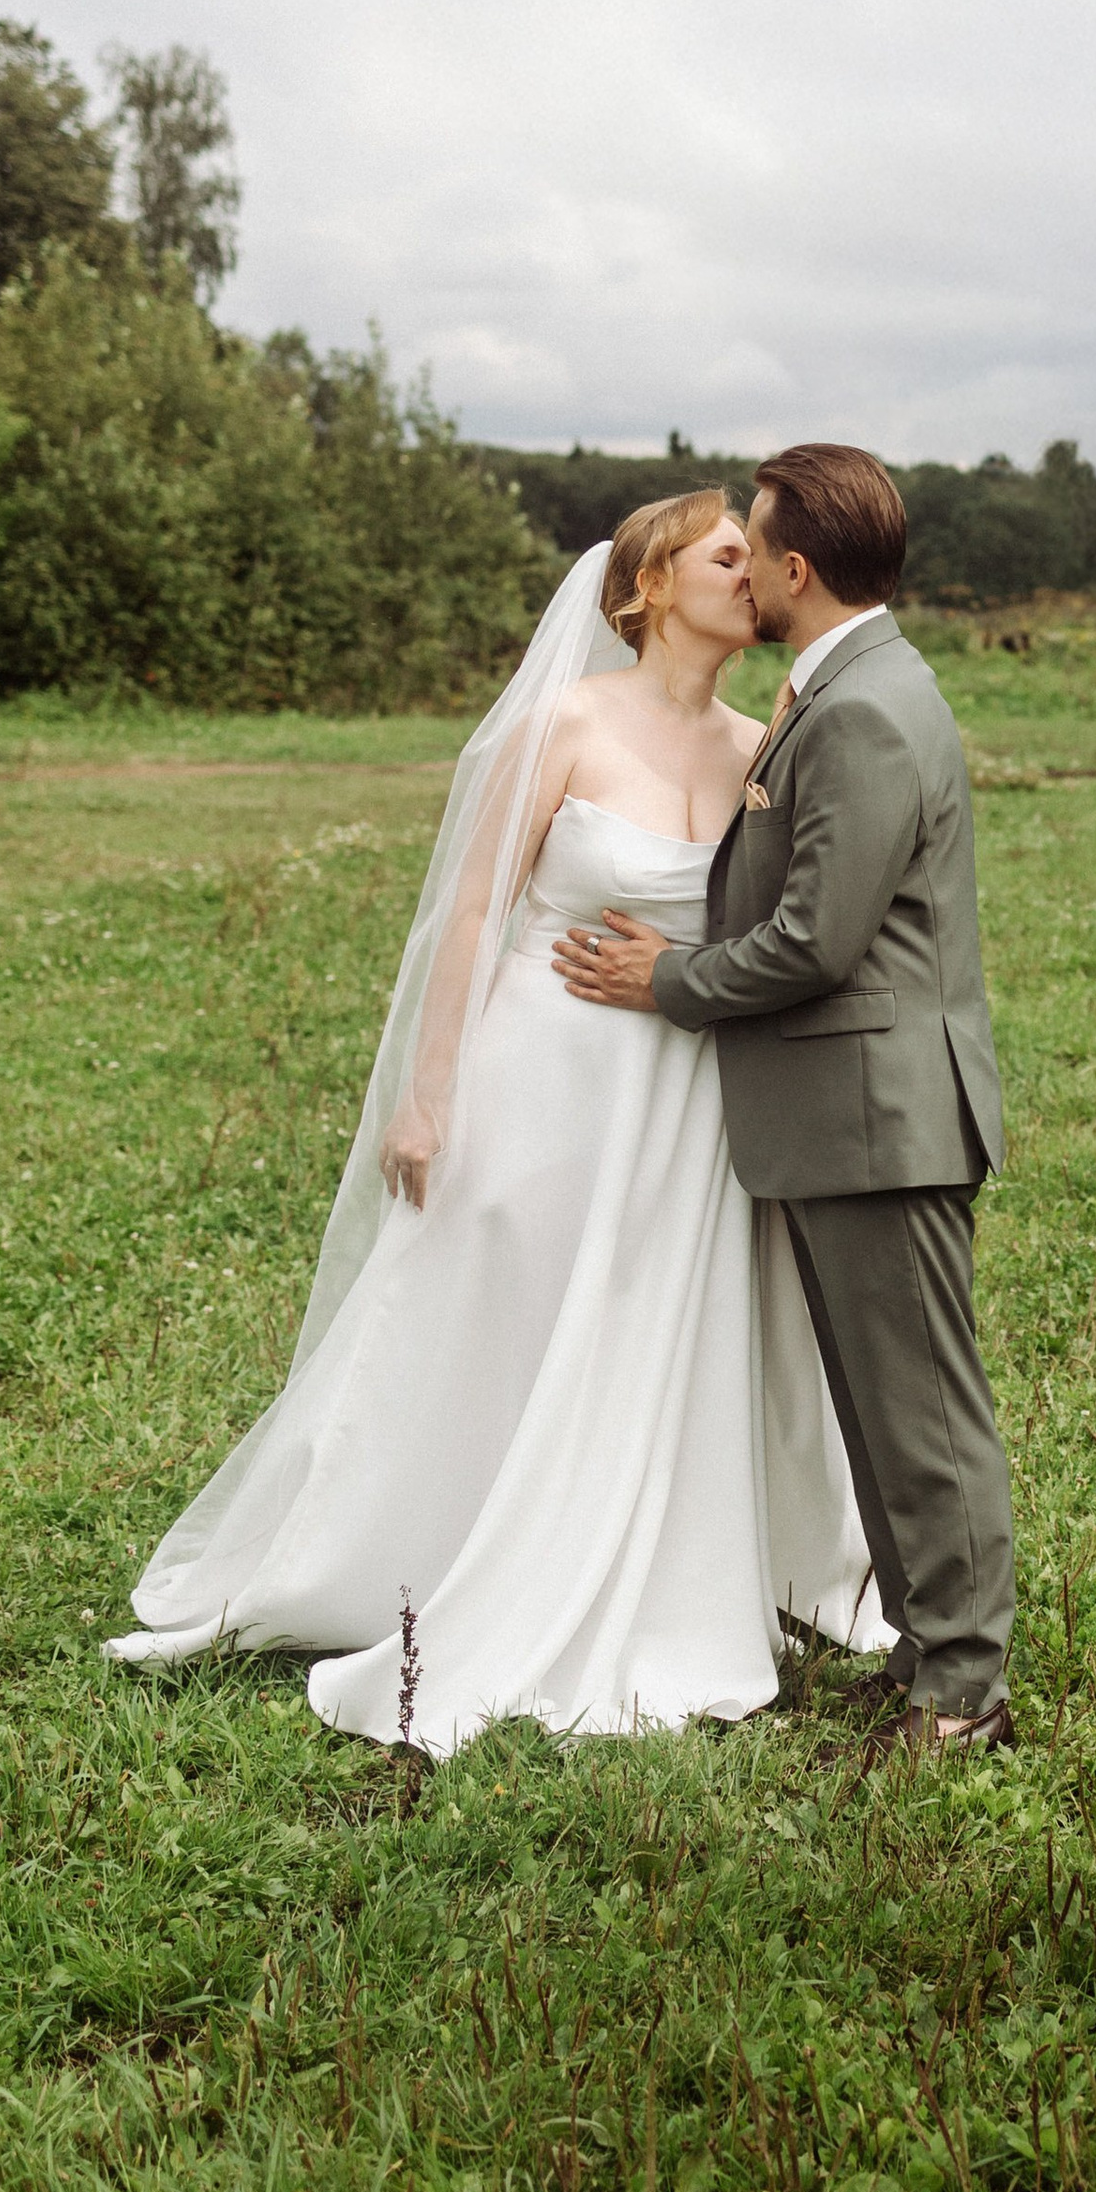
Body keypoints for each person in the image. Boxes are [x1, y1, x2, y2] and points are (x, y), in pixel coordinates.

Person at [106, 493, 891, 1755]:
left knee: (652, 1324)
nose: (756, 574)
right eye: (728, 554)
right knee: (498, 1305)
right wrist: (426, 1091)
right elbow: (467, 915)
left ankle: (655, 1555)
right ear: (648, 585)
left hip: (687, 1099)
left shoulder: (763, 743)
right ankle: (423, 1543)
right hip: (547, 1072)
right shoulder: (563, 725)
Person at [553, 442, 1018, 1756]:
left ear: (796, 566)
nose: (740, 560)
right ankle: (931, 1654)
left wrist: (672, 979)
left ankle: (966, 1691)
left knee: (924, 1415)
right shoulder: (849, 684)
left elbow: (819, 939)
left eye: (751, 541)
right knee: (883, 1409)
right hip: (846, 1118)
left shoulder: (864, 708)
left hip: (881, 1117)